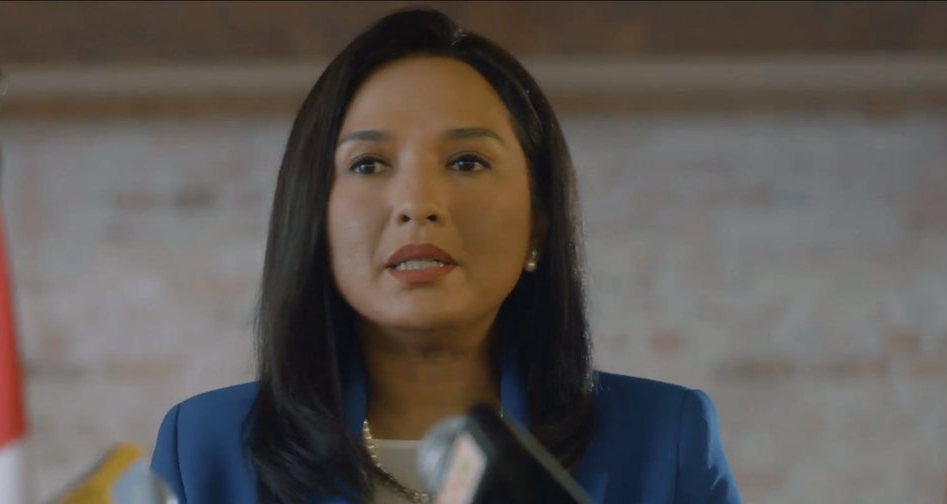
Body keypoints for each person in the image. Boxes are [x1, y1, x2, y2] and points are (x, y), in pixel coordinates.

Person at [151, 8, 741, 504]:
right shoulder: (205, 448)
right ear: (313, 216)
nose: (417, 204)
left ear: (538, 220)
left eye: (466, 162)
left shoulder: (663, 439)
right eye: (368, 164)